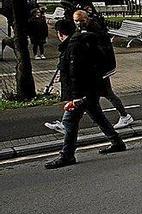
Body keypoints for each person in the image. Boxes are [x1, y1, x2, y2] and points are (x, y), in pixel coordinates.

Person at [45, 19, 126, 169]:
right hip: (91, 89)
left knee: (69, 121)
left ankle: (67, 155)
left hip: (82, 92)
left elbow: (76, 73)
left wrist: (75, 97)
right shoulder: (81, 42)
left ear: (60, 33)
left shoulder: (74, 46)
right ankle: (117, 142)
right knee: (98, 116)